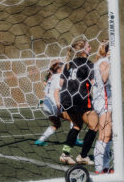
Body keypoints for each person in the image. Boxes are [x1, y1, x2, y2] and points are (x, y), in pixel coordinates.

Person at [58, 38, 98, 166]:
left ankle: (65, 154)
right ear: (84, 50)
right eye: (89, 46)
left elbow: (60, 83)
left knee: (77, 125)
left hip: (66, 99)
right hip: (81, 99)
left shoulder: (68, 64)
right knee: (94, 126)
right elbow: (94, 83)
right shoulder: (88, 64)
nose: (90, 48)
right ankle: (83, 156)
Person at [91, 41, 113, 174]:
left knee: (108, 136)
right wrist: (110, 61)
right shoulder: (104, 62)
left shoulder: (106, 61)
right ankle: (99, 167)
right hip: (103, 101)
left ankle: (105, 165)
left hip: (109, 101)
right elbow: (104, 79)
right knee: (104, 134)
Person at [34, 60, 64, 146]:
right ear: (59, 70)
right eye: (63, 68)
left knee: (57, 124)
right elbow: (56, 92)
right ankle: (74, 140)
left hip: (46, 105)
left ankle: (40, 140)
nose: (64, 69)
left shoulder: (51, 78)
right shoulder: (59, 76)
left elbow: (45, 93)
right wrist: (58, 104)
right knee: (75, 118)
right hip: (54, 105)